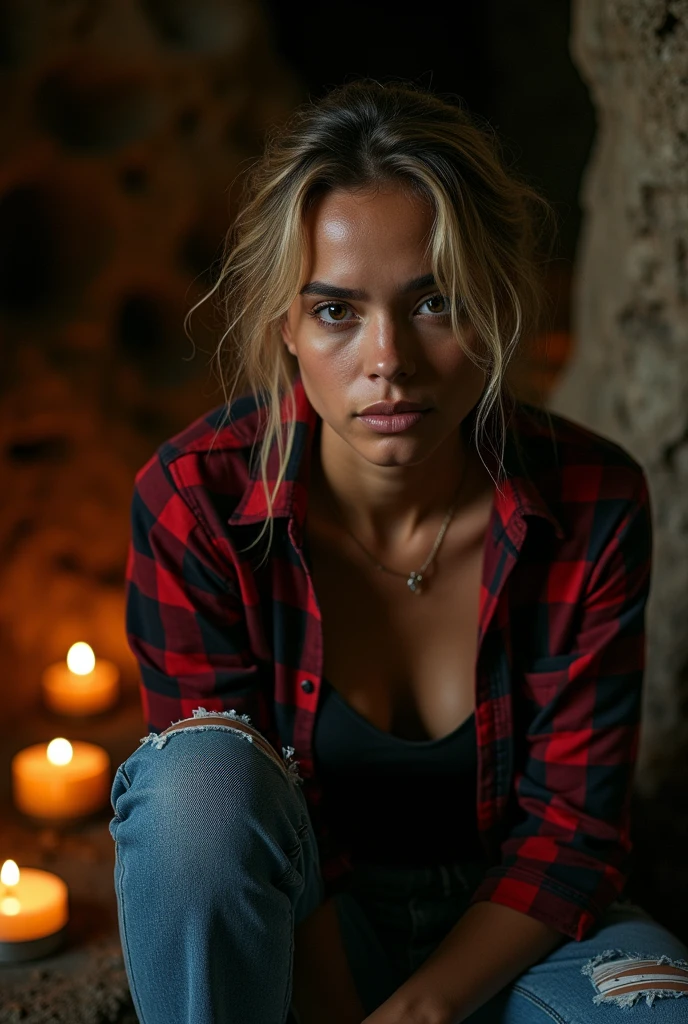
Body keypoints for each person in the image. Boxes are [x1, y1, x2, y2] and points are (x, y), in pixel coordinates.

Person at [109, 80, 688, 1023]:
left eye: (435, 303)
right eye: (337, 311)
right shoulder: (195, 502)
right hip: (290, 926)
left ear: (498, 305)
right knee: (195, 778)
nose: (389, 361)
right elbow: (208, 832)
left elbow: (572, 833)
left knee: (660, 1010)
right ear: (285, 325)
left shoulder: (593, 501)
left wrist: (417, 1013)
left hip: (515, 935)